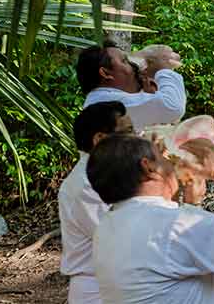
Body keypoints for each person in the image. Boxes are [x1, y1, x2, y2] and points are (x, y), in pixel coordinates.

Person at [87, 135, 214, 304]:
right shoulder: (175, 224)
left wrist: (192, 206)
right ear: (149, 167)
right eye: (162, 156)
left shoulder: (105, 227)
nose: (171, 163)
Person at [58, 101, 133, 304]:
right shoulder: (85, 184)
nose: (136, 139)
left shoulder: (109, 174)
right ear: (100, 139)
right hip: (96, 291)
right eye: (128, 132)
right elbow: (120, 238)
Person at [77, 41, 186, 133]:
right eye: (124, 61)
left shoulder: (101, 99)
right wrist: (163, 69)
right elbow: (172, 107)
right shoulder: (105, 102)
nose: (133, 67)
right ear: (105, 73)